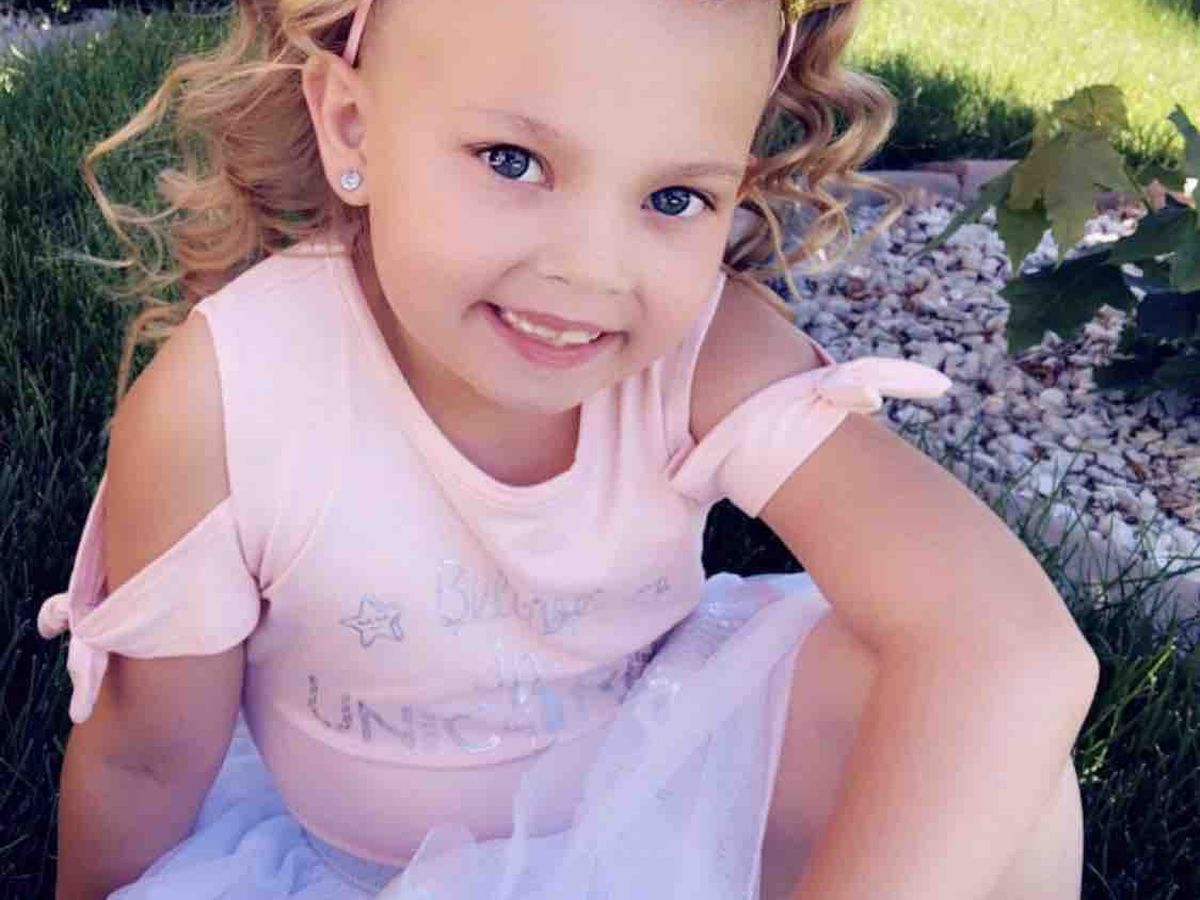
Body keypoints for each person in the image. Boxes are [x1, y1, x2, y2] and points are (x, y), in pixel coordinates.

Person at [36, 0, 1100, 897]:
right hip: (355, 867)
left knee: (990, 758)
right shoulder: (230, 396)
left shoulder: (704, 353)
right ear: (353, 128)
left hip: (641, 800)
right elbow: (143, 760)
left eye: (673, 198)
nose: (592, 270)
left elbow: (1011, 647)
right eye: (514, 161)